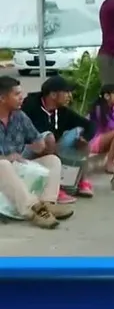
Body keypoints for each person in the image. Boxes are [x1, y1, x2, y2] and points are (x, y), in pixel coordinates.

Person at [0, 76, 73, 229]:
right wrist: (7, 157)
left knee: (52, 160)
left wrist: (40, 144)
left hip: (17, 165)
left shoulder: (19, 116)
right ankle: (33, 209)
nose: (22, 98)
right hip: (3, 167)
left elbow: (36, 139)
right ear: (2, 98)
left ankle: (48, 203)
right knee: (3, 164)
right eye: (16, 94)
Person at [20, 76, 97, 201]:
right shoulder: (30, 107)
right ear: (53, 94)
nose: (70, 96)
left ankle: (82, 181)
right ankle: (55, 188)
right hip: (28, 151)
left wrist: (85, 137)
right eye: (66, 92)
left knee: (81, 134)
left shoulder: (61, 111)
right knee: (49, 137)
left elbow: (90, 124)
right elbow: (31, 136)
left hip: (52, 149)